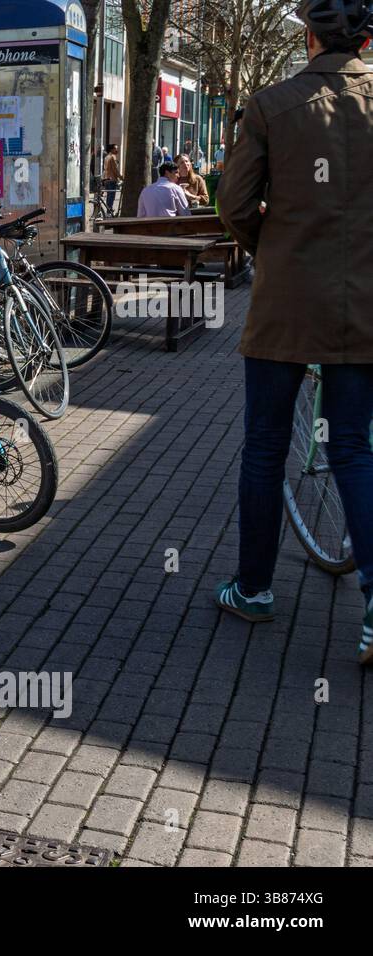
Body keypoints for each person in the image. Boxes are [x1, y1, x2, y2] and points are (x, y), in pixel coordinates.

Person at [214, 0, 373, 664]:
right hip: (363, 307)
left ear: (307, 35)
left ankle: (253, 589)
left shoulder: (272, 104)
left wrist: (270, 247)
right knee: (355, 452)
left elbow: (233, 204)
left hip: (284, 307)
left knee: (264, 449)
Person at [102, 143, 122, 215]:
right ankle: (109, 211)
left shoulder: (107, 157)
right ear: (112, 149)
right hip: (112, 179)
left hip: (107, 179)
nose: (117, 150)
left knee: (109, 196)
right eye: (115, 148)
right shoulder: (112, 157)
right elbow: (115, 170)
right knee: (111, 196)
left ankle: (108, 210)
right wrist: (121, 177)